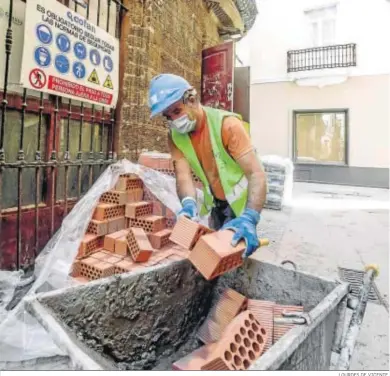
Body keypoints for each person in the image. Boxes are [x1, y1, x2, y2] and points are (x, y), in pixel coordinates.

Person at [148, 74, 267, 258]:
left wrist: (250, 217)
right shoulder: (175, 136)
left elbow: (256, 174)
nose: (174, 120)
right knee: (215, 255)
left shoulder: (227, 125)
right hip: (216, 205)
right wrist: (188, 204)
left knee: (238, 255)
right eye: (168, 116)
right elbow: (183, 176)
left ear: (192, 100)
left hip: (244, 205)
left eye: (177, 111)